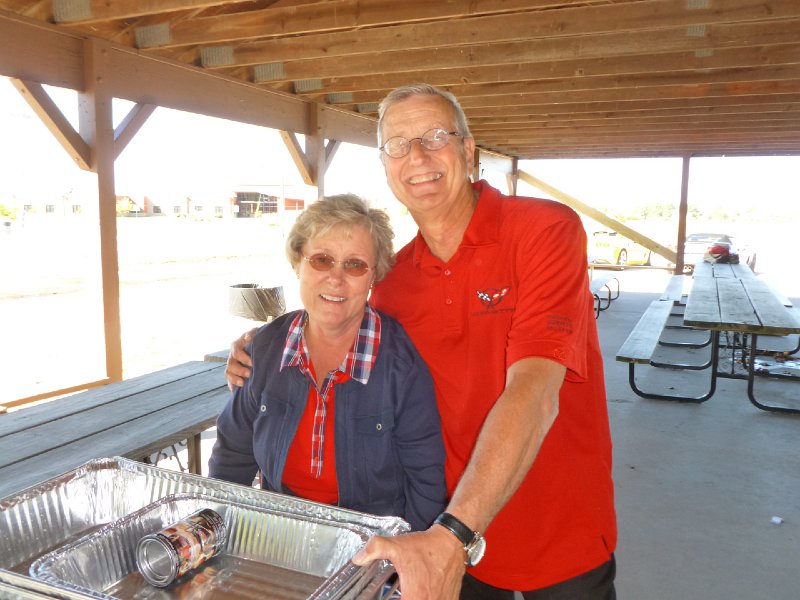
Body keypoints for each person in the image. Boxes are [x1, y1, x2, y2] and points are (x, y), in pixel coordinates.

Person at [225, 85, 617, 598]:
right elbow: (334, 317)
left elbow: (536, 391)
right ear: (386, 167)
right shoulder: (393, 282)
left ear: (468, 150)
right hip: (446, 526)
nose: (418, 156)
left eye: (436, 137)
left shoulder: (543, 230)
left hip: (551, 523)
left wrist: (454, 533)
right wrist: (260, 343)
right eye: (398, 144)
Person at [208, 193, 446, 532]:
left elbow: (426, 481)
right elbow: (232, 454)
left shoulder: (400, 365)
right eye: (322, 260)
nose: (336, 278)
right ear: (298, 263)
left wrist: (405, 558)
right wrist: (220, 529)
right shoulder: (265, 350)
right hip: (278, 531)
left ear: (373, 276)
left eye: (355, 265)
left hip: (368, 542)